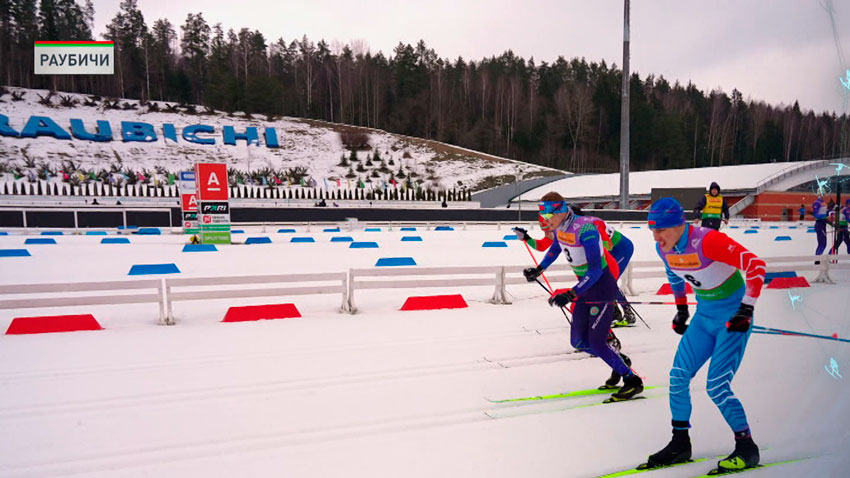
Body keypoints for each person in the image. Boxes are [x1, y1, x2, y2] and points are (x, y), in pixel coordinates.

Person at [642, 197, 765, 473]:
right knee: (678, 376)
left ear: (678, 225)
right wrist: (682, 309)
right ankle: (680, 443)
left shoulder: (708, 240)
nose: (656, 236)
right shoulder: (664, 248)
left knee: (717, 386)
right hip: (704, 317)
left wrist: (746, 309)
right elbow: (674, 274)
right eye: (652, 230)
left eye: (661, 229)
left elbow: (756, 265)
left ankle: (747, 448)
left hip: (732, 317)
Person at [523, 192, 643, 401]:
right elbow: (555, 249)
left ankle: (632, 381)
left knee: (597, 343)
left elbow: (596, 271)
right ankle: (619, 362)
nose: (546, 220)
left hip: (600, 288)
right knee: (578, 341)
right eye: (543, 215)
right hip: (585, 288)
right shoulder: (560, 229)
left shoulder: (586, 229)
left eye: (548, 215)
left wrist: (571, 294)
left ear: (560, 211)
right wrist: (539, 269)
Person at [812, 195, 829, 262]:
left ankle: (818, 259)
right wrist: (825, 215)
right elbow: (816, 214)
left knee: (822, 243)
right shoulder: (817, 203)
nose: (824, 195)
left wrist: (830, 210)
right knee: (822, 243)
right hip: (819, 224)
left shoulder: (824, 203)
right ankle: (817, 260)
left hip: (823, 224)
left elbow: (824, 213)